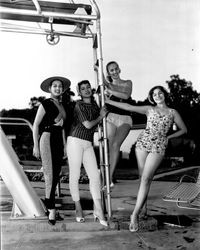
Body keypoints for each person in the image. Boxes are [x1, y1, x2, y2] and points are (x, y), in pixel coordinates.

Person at [105, 85, 187, 232]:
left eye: (160, 93)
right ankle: (143, 209)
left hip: (159, 146)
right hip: (143, 143)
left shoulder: (173, 112)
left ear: (164, 95)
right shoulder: (149, 109)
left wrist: (168, 137)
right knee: (143, 178)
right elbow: (128, 105)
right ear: (152, 97)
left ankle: (134, 214)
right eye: (154, 94)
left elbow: (183, 129)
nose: (157, 96)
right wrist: (108, 102)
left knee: (146, 179)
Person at [66, 80, 108, 226]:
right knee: (75, 174)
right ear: (79, 92)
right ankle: (78, 208)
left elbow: (98, 121)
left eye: (88, 87)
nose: (86, 90)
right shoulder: (79, 105)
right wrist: (101, 117)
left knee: (95, 176)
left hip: (88, 143)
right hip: (75, 141)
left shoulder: (96, 105)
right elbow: (88, 124)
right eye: (82, 88)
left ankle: (98, 210)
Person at [33, 76, 71, 225]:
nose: (57, 88)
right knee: (49, 174)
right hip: (47, 139)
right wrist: (35, 146)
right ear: (50, 89)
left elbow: (62, 128)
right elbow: (36, 125)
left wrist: (65, 146)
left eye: (60, 86)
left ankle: (49, 203)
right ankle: (52, 211)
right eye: (54, 86)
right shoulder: (45, 104)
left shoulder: (63, 105)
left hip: (58, 141)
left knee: (56, 174)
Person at [104, 61, 133, 187]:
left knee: (116, 145)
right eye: (111, 70)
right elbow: (101, 79)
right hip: (111, 117)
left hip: (125, 119)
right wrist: (97, 68)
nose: (114, 72)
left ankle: (108, 178)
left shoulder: (128, 82)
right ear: (109, 73)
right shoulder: (108, 85)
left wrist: (109, 91)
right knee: (109, 148)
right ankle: (108, 175)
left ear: (119, 69)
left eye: (116, 69)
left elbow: (126, 96)